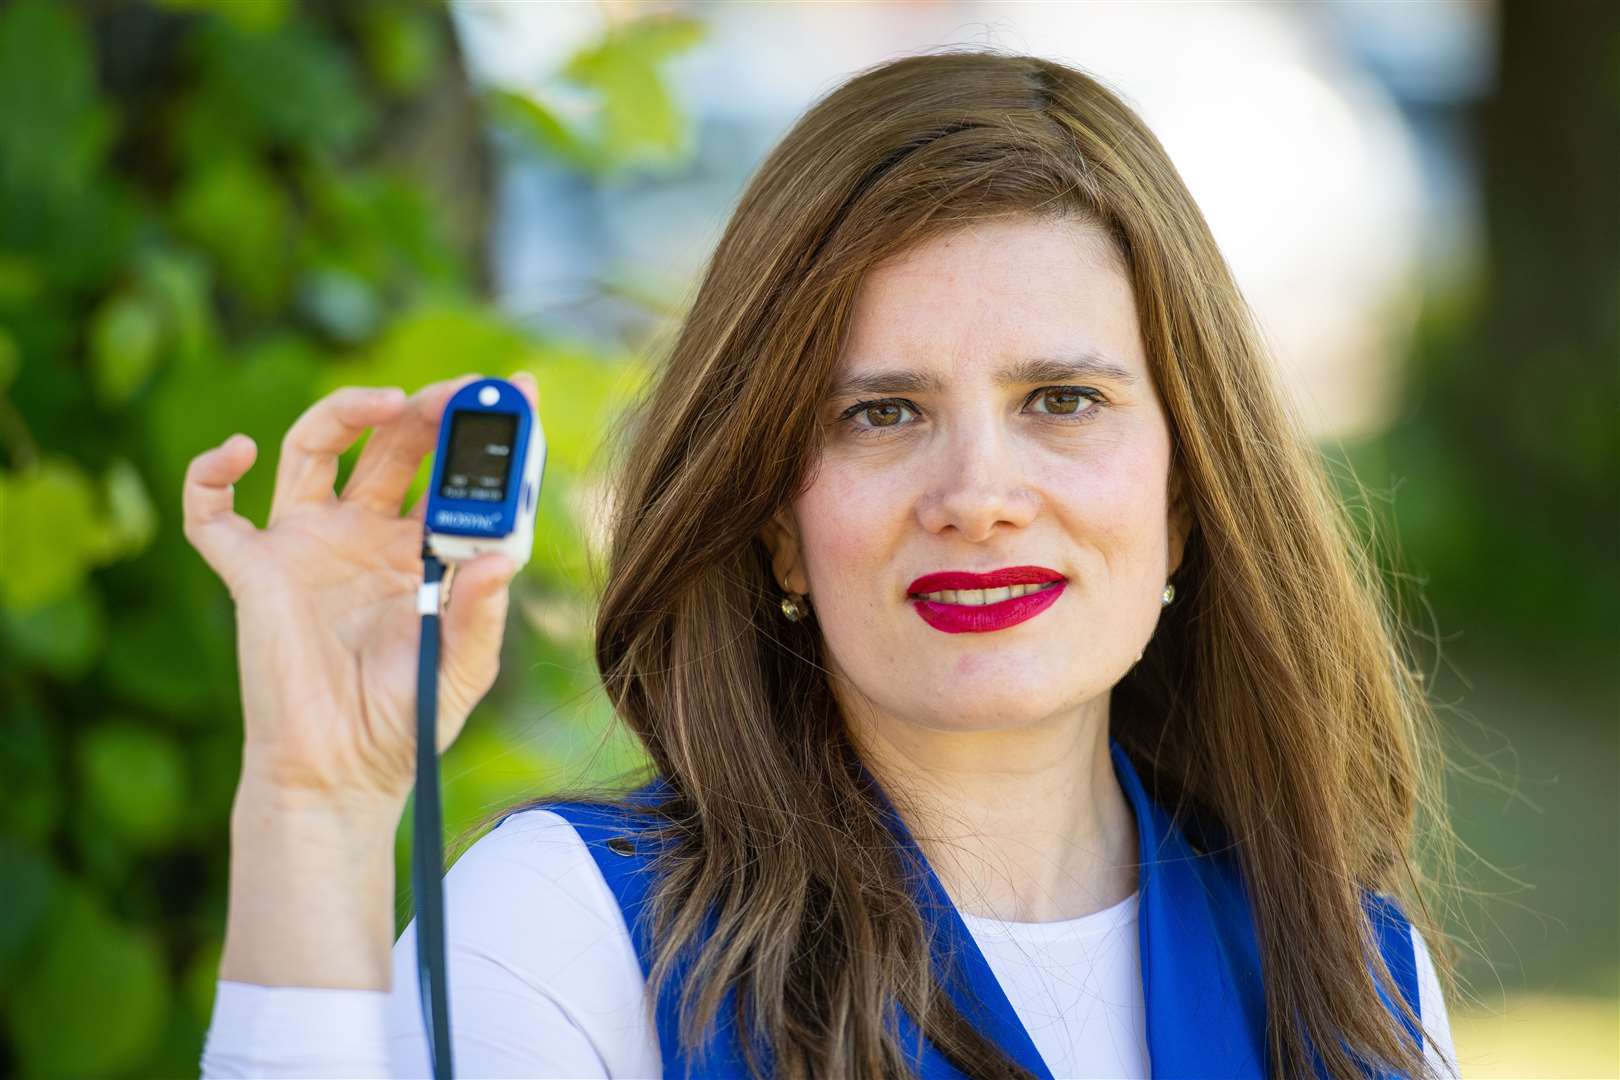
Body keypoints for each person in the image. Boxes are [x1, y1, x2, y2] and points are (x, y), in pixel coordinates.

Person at [190, 49, 1460, 1080]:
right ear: (776, 521)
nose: (978, 498)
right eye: (881, 414)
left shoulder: (1353, 975)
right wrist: (314, 808)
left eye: (1063, 400)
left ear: (1188, 493)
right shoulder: (575, 936)